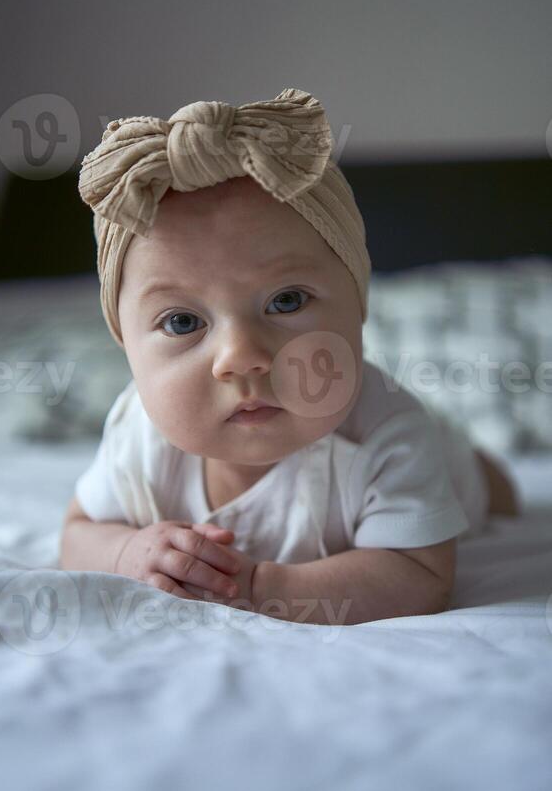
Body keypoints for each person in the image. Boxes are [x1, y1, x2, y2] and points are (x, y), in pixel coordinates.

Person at [59, 87, 520, 626]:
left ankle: (484, 465)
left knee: (491, 490)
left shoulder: (387, 435)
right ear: (126, 346)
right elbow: (77, 532)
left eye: (286, 301)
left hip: (446, 461)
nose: (242, 358)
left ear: (358, 305)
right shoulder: (136, 438)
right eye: (182, 321)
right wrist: (125, 554)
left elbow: (420, 574)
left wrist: (259, 588)